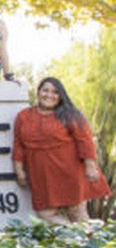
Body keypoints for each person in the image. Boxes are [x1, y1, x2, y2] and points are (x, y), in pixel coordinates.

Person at [12, 77, 110, 224]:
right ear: (38, 92)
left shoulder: (70, 114)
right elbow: (18, 144)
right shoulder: (24, 116)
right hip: (41, 174)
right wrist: (19, 171)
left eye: (55, 92)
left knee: (77, 213)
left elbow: (84, 141)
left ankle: (89, 243)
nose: (49, 95)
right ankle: (76, 236)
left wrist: (90, 166)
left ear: (61, 96)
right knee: (44, 214)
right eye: (45, 90)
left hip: (70, 170)